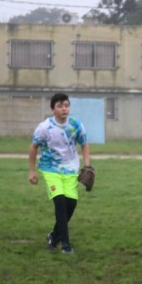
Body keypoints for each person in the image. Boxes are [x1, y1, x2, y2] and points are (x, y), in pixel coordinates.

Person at [28, 93, 90, 254]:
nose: (64, 108)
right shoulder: (44, 127)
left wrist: (87, 165)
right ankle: (66, 245)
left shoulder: (76, 124)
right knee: (60, 203)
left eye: (66, 105)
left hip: (71, 170)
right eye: (60, 106)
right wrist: (32, 171)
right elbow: (34, 147)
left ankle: (54, 235)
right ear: (53, 109)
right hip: (51, 170)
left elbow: (84, 143)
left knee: (71, 204)